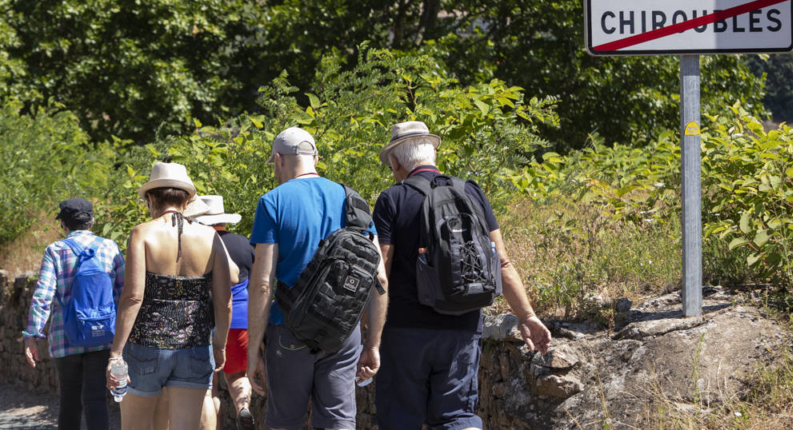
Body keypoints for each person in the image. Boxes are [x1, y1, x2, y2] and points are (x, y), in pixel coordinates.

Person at [372, 121, 552, 430]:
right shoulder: (471, 192)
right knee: (456, 417)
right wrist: (527, 316)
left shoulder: (392, 200)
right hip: (464, 325)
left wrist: (370, 334)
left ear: (396, 162)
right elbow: (503, 263)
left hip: (405, 331)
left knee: (401, 417)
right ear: (433, 155)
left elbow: (381, 274)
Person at [247, 127, 389, 430]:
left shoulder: (272, 202)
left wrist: (252, 351)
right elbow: (380, 279)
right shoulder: (355, 201)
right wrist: (373, 344)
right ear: (316, 158)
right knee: (338, 423)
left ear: (278, 159)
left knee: (285, 423)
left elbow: (261, 284)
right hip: (342, 333)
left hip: (288, 331)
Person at [106, 162, 232, 430]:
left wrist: (116, 353)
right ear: (186, 200)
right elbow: (224, 301)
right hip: (195, 346)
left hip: (145, 346)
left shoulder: (142, 233)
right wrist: (219, 345)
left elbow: (132, 297)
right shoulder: (211, 237)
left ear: (152, 198)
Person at [22, 197, 125, 430]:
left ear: (64, 225)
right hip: (103, 336)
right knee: (96, 399)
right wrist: (122, 336)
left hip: (64, 336)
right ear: (92, 221)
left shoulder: (55, 250)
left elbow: (43, 296)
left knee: (69, 399)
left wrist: (33, 334)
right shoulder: (110, 247)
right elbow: (123, 294)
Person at [194, 195, 256, 430]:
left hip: (203, 321)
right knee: (238, 374)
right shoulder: (244, 243)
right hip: (240, 318)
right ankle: (243, 408)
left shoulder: (197, 243)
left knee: (209, 387)